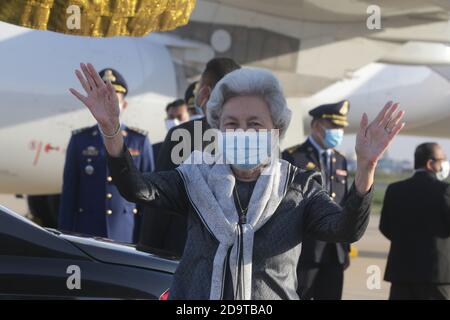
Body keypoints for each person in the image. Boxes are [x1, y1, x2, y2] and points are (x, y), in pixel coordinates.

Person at [70, 62, 405, 300]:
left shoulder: (297, 187)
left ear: (276, 128)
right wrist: (112, 130)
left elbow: (345, 229)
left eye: (254, 124)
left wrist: (366, 167)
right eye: (231, 124)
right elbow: (135, 188)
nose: (242, 132)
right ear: (218, 129)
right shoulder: (194, 178)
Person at [139, 58, 241, 257]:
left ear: (205, 93)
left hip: (185, 256)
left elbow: (159, 201)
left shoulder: (182, 135)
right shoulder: (258, 140)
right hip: (237, 262)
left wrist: (147, 251)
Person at [59, 68, 154, 244]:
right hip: (87, 234)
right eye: (104, 101)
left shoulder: (139, 141)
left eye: (114, 101)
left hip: (126, 234)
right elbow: (69, 196)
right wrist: (65, 239)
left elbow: (148, 200)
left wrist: (146, 242)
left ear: (124, 105)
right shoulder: (80, 140)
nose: (109, 107)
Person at [282, 100, 352, 299]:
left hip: (334, 250)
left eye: (341, 127)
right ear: (316, 126)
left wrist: (345, 248)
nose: (338, 131)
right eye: (334, 126)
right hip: (304, 249)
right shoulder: (294, 157)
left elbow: (344, 203)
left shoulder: (340, 160)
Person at [380, 142, 450, 300]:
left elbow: (385, 227)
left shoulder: (394, 190)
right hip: (435, 275)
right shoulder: (445, 190)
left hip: (402, 274)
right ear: (430, 163)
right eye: (442, 160)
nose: (445, 164)